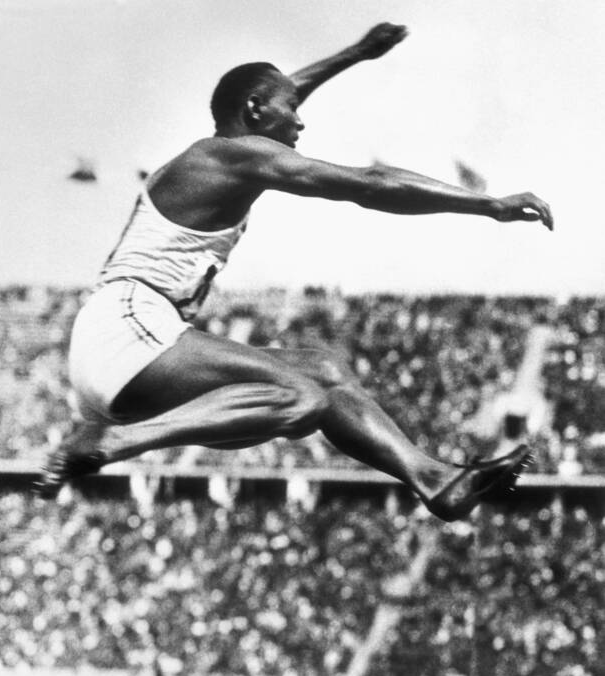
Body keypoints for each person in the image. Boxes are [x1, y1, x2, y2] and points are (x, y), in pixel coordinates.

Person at [37, 22, 552, 521]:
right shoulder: (229, 156)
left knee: (325, 374)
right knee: (299, 397)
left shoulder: (231, 147)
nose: (300, 121)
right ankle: (112, 443)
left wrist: (355, 54)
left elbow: (280, 92)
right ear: (257, 112)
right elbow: (369, 183)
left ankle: (435, 480)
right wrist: (488, 204)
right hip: (126, 329)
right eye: (291, 111)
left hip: (128, 346)